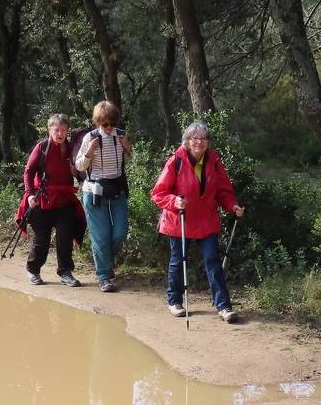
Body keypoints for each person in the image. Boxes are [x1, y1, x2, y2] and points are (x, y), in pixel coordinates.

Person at [149, 121, 245, 322]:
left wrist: (232, 206)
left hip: (206, 220)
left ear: (208, 142)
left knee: (213, 262)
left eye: (203, 138)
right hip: (179, 220)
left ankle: (224, 306)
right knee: (177, 261)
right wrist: (174, 201)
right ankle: (174, 301)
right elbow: (158, 193)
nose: (199, 142)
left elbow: (223, 191)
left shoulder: (215, 161)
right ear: (187, 141)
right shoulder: (176, 161)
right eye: (195, 138)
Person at [16, 114, 86, 286]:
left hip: (64, 200)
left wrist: (84, 183)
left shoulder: (72, 148)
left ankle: (65, 273)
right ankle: (33, 270)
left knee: (65, 238)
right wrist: (30, 194)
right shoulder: (42, 147)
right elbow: (28, 172)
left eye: (63, 130)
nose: (60, 133)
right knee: (42, 239)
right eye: (57, 130)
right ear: (50, 130)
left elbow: (81, 169)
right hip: (42, 200)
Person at [74, 100, 132, 293]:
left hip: (117, 190)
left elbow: (128, 161)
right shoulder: (90, 137)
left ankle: (104, 261)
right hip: (94, 193)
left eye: (111, 123)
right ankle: (104, 277)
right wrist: (90, 151)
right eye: (104, 124)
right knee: (100, 237)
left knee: (120, 233)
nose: (108, 128)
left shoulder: (121, 136)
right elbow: (79, 165)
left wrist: (128, 149)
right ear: (98, 122)